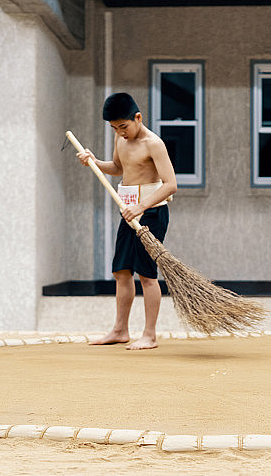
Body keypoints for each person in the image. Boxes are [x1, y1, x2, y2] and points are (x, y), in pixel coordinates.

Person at [76, 93, 177, 350]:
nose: (120, 132)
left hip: (152, 212)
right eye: (114, 128)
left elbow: (171, 184)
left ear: (138, 118)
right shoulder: (120, 138)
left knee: (146, 275)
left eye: (124, 126)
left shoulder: (154, 143)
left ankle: (150, 335)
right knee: (121, 271)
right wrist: (95, 162)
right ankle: (120, 330)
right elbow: (119, 168)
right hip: (128, 210)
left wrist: (143, 206)